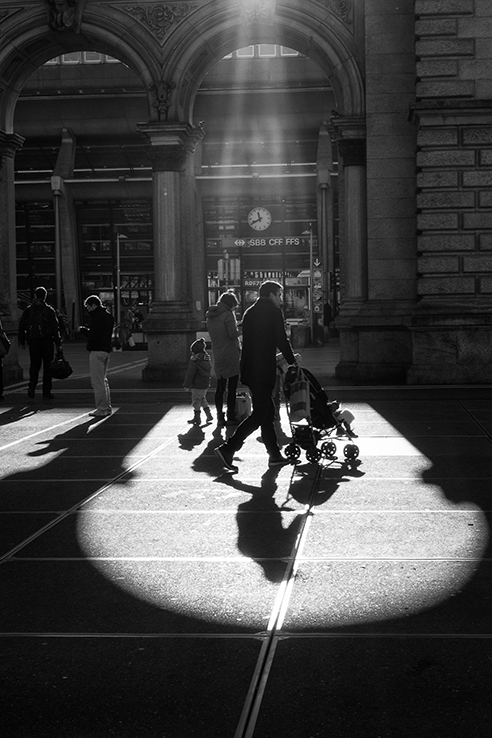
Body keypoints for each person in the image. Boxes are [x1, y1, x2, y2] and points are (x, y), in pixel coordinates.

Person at [214, 280, 297, 471]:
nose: (280, 300)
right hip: (263, 370)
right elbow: (281, 339)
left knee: (266, 412)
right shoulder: (273, 312)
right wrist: (291, 361)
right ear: (271, 295)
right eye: (279, 295)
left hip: (251, 370)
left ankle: (274, 455)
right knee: (262, 412)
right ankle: (228, 448)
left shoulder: (249, 312)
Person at [18, 286, 62, 400]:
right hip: (47, 342)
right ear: (45, 296)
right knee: (48, 367)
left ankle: (32, 387)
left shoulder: (29, 310)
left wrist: (22, 340)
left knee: (34, 365)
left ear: (35, 296)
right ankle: (46, 392)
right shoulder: (49, 310)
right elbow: (55, 328)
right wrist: (58, 344)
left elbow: (21, 325)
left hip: (33, 342)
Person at [206, 291, 241, 426]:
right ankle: (231, 415)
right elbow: (233, 334)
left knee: (220, 387)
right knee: (232, 387)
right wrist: (241, 328)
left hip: (218, 352)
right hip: (230, 353)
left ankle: (220, 416)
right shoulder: (227, 315)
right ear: (231, 303)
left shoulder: (211, 315)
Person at [79, 295, 115, 417]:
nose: (88, 309)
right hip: (106, 350)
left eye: (89, 306)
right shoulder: (108, 316)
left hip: (96, 350)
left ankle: (102, 408)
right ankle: (107, 407)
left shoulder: (97, 317)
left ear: (94, 305)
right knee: (103, 380)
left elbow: (94, 335)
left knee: (97, 382)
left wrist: (84, 331)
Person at [183, 337, 213, 426]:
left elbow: (190, 373)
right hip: (205, 383)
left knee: (196, 400)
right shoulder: (207, 358)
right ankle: (209, 415)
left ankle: (197, 418)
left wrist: (186, 384)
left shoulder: (194, 360)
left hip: (196, 384)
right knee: (202, 398)